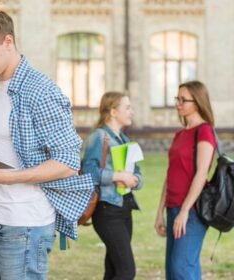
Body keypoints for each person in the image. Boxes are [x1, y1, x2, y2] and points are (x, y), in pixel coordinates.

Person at [0, 7, 93, 280]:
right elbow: (2, 148)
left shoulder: (40, 91)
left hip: (26, 227)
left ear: (8, 42)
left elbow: (68, 162)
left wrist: (8, 178)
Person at [154, 81, 216, 280]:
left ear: (197, 103)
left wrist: (184, 211)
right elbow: (170, 174)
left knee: (181, 269)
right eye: (177, 98)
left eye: (183, 100)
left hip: (192, 211)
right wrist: (159, 213)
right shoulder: (180, 134)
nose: (178, 103)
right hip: (173, 208)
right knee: (174, 272)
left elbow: (201, 174)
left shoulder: (204, 131)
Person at [82, 91, 143, 280]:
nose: (131, 112)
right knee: (127, 271)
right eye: (127, 107)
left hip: (124, 208)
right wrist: (118, 176)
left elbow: (138, 173)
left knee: (114, 270)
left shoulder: (125, 140)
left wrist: (135, 180)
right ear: (113, 112)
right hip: (107, 210)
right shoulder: (99, 137)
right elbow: (88, 172)